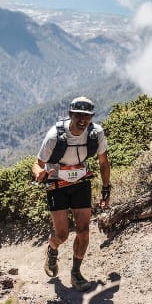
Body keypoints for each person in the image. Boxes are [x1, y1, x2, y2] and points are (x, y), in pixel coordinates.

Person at [32, 96, 111, 292]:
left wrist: (106, 188)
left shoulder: (96, 133)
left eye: (87, 116)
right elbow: (37, 164)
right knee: (62, 234)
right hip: (57, 183)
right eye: (79, 115)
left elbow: (103, 162)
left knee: (84, 231)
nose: (83, 120)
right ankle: (52, 248)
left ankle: (76, 273)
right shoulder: (54, 136)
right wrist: (39, 175)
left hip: (81, 181)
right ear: (70, 115)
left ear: (91, 117)